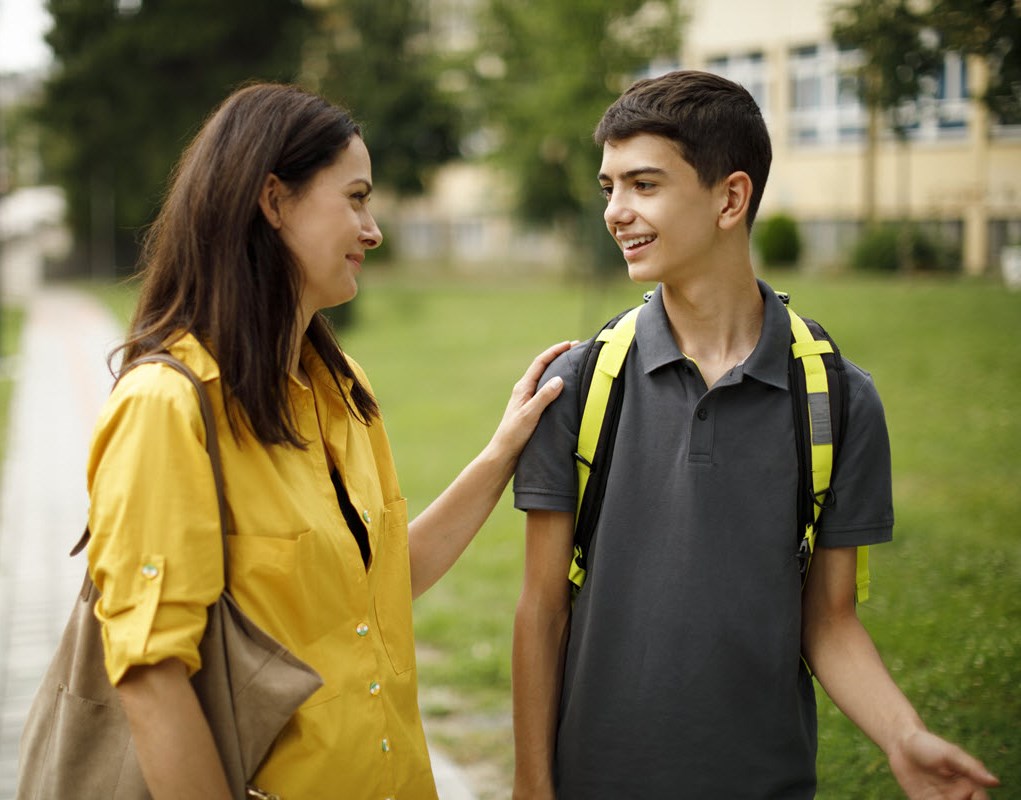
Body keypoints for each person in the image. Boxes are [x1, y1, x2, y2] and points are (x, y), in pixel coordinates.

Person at [511, 70, 1000, 799]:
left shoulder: (837, 399)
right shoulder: (578, 385)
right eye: (608, 186)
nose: (615, 210)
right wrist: (530, 785)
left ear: (730, 198)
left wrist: (902, 735)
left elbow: (829, 623)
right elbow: (541, 610)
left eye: (643, 184)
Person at [85, 82, 567, 799]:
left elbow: (382, 582)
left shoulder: (343, 392)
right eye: (356, 198)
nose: (373, 230)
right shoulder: (167, 406)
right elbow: (150, 675)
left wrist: (501, 454)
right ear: (274, 201)